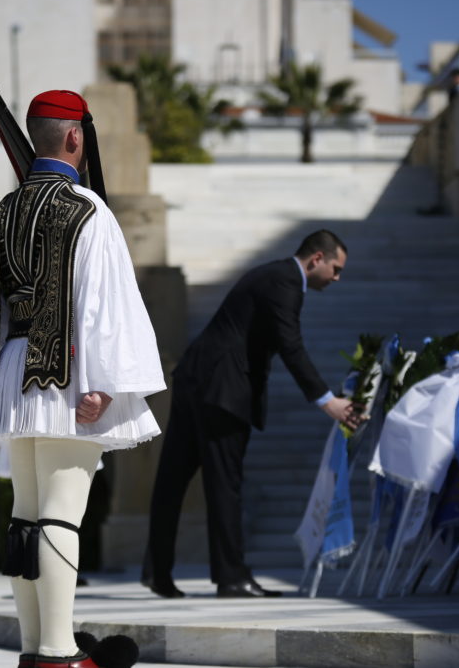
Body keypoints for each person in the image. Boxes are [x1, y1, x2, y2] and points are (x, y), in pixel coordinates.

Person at [0, 89, 164, 668]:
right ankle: (58, 652)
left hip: (14, 376)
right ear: (75, 138)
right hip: (67, 374)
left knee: (25, 518)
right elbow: (102, 301)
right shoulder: (86, 209)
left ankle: (31, 649)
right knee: (60, 515)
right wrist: (102, 380)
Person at [142, 230, 359, 599]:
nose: (337, 278)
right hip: (222, 389)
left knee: (172, 481)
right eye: (336, 269)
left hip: (197, 379)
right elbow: (291, 345)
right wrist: (328, 401)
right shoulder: (285, 281)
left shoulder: (274, 275)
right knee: (224, 483)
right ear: (316, 259)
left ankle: (157, 571)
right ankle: (231, 578)